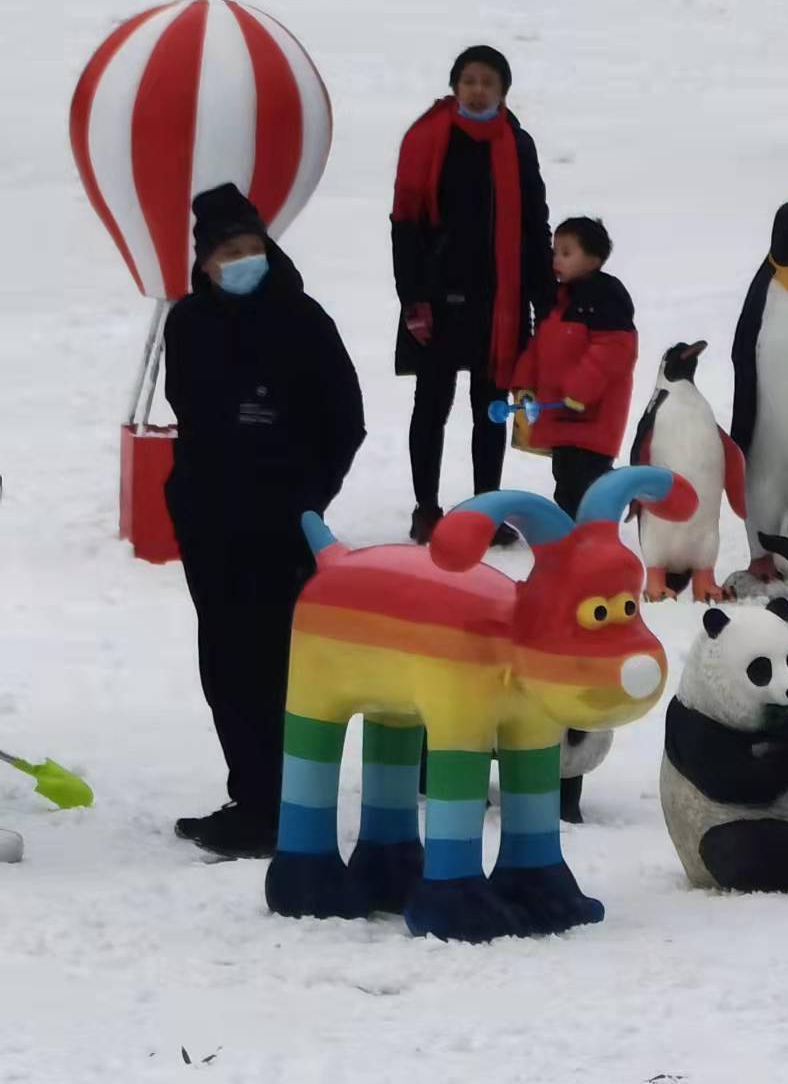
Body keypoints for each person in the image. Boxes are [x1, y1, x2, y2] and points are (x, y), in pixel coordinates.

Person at [165, 184, 366, 858]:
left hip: (281, 522)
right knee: (225, 660)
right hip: (210, 519)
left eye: (252, 247)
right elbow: (191, 410)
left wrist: (307, 497)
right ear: (205, 262)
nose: (243, 259)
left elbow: (344, 420)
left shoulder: (303, 319)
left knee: (276, 660)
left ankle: (285, 805)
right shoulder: (188, 322)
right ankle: (252, 797)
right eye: (229, 251)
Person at [391, 45, 552, 545]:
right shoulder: (426, 139)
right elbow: (405, 225)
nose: (478, 89)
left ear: (503, 91)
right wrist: (412, 297)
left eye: (488, 82)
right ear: (456, 85)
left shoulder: (517, 144)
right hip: (436, 300)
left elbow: (534, 222)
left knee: (491, 409)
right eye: (470, 80)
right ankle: (426, 510)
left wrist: (543, 296)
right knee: (431, 404)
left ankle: (487, 510)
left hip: (498, 301)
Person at [510, 217, 639, 516]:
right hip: (561, 413)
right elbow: (540, 345)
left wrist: (581, 390)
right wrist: (524, 383)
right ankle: (574, 539)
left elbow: (613, 351)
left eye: (567, 253)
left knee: (588, 483)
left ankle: (596, 534)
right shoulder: (560, 300)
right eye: (556, 252)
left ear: (594, 259)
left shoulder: (606, 297)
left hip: (592, 414)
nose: (557, 260)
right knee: (565, 483)